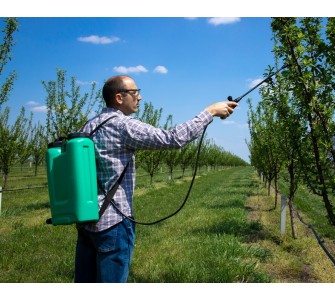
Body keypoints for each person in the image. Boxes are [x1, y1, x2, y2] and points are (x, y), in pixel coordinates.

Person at [74, 75, 238, 283]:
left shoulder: (88, 127)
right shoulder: (123, 126)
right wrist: (210, 112)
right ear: (119, 97)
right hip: (113, 223)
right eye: (135, 93)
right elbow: (172, 139)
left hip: (87, 219)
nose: (140, 98)